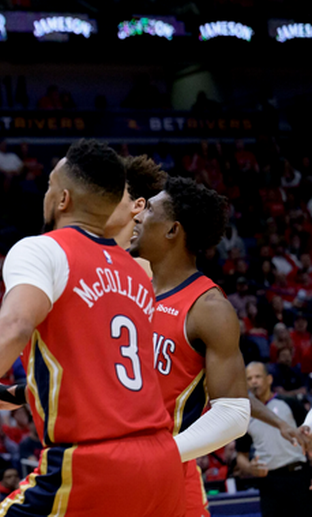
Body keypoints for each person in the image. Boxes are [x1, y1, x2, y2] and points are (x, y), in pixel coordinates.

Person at [0, 139, 184, 516]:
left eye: (49, 185)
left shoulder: (42, 249)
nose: (45, 193)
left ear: (62, 199)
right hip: (161, 463)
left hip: (94, 462)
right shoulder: (138, 274)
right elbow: (110, 372)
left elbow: (15, 325)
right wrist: (21, 392)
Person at [130, 176, 300, 516]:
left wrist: (162, 454)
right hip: (118, 464)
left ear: (173, 230)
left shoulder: (208, 307)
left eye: (148, 210)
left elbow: (233, 413)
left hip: (162, 472)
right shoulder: (131, 290)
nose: (137, 216)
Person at [238, 362, 312, 516]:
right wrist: (250, 468)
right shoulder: (245, 415)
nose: (254, 381)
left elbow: (309, 437)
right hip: (269, 481)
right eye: (249, 378)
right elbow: (241, 455)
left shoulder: (290, 403)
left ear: (269, 379)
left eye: (258, 377)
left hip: (298, 475)